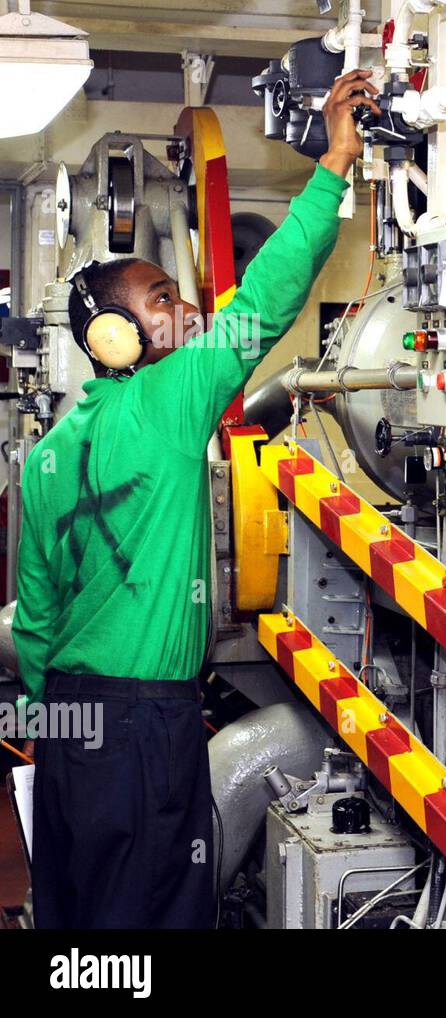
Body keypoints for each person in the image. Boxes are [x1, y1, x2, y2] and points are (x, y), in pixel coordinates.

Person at [11, 68, 380, 929]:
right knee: (155, 915)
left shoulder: (45, 456)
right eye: (163, 300)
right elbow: (267, 297)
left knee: (79, 914)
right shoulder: (173, 401)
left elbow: (33, 621)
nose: (185, 313)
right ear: (113, 335)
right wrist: (332, 166)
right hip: (144, 724)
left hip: (65, 721)